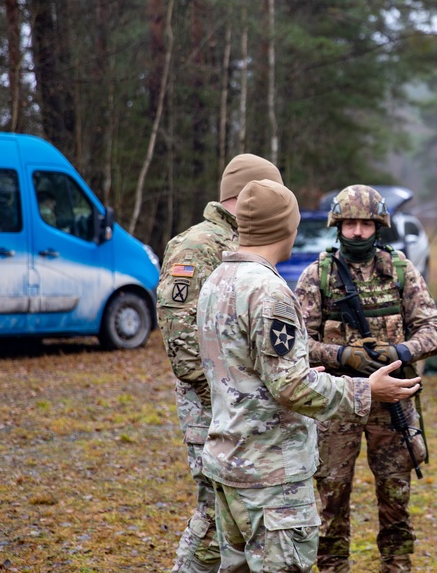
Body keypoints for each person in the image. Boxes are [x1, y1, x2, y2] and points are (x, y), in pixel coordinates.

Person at [197, 178, 422, 573]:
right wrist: (365, 388)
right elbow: (290, 386)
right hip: (269, 471)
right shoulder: (270, 291)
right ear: (284, 227)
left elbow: (248, 370)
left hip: (229, 460)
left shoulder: (216, 280)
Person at [293, 184, 437, 573]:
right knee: (330, 499)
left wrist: (400, 352)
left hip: (392, 404)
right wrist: (343, 355)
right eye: (349, 225)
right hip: (337, 402)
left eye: (365, 224)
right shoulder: (318, 275)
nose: (357, 232)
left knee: (396, 501)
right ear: (337, 227)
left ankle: (397, 565)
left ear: (379, 227)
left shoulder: (400, 270)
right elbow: (297, 344)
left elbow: (434, 331)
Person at [156, 154, 283, 573]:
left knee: (239, 516)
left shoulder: (235, 241)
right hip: (211, 407)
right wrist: (224, 398)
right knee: (215, 514)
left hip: (233, 405)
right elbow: (179, 336)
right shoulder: (199, 245)